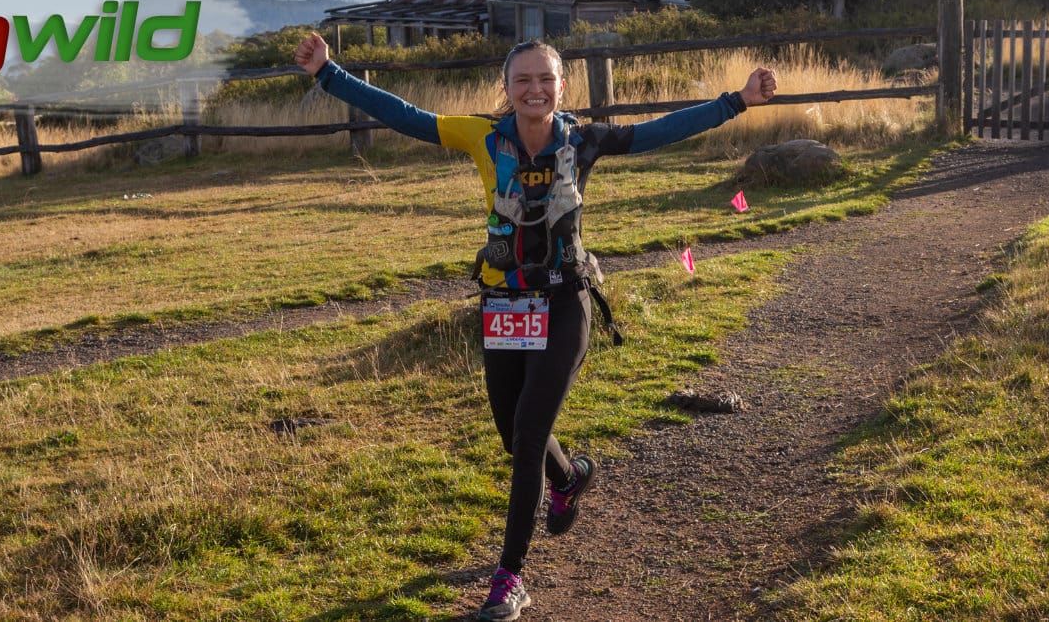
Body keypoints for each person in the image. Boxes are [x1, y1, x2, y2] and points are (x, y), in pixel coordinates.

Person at [294, 31, 777, 621]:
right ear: (506, 87)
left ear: (561, 86)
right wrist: (329, 73)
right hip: (503, 303)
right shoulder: (481, 136)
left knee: (526, 436)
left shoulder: (586, 140)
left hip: (566, 301)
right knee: (513, 432)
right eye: (522, 79)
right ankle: (569, 478)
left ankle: (509, 577)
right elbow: (405, 116)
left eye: (545, 79)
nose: (534, 89)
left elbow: (658, 130)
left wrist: (737, 100)